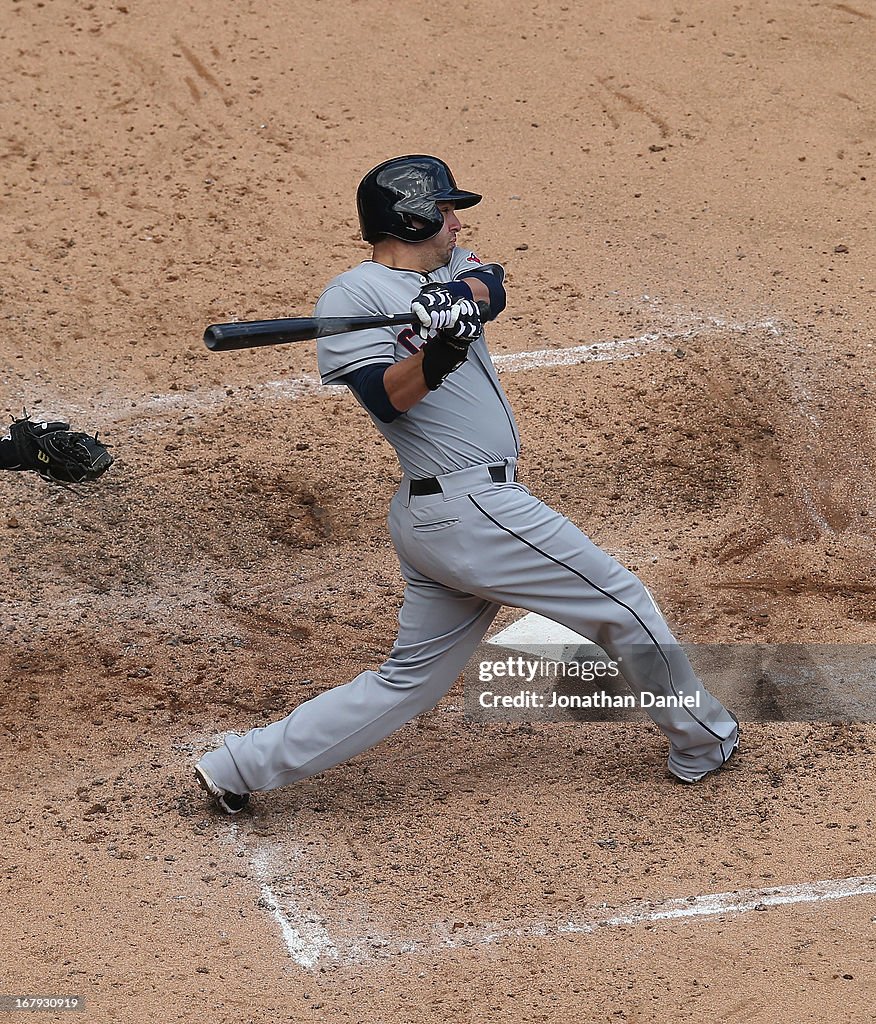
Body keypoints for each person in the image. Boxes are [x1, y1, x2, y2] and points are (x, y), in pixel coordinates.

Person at [194, 154, 739, 815]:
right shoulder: (352, 298)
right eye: (447, 210)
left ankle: (236, 766)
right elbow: (386, 398)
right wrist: (440, 354)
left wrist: (457, 301)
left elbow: (492, 283)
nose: (457, 221)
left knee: (407, 684)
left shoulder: (447, 268)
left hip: (443, 520)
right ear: (414, 216)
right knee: (622, 607)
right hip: (473, 509)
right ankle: (704, 738)